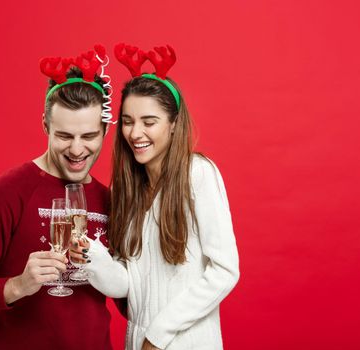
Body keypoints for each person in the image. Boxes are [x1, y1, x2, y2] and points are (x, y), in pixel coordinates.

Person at [0, 45, 116, 349]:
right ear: (45, 126)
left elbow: (129, 296)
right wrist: (18, 285)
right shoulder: (6, 192)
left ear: (104, 131)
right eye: (64, 136)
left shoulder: (111, 201)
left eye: (88, 136)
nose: (77, 150)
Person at [71, 44, 240, 350]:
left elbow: (225, 271)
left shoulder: (197, 174)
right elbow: (127, 286)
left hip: (184, 342)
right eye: (127, 121)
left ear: (173, 125)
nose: (136, 133)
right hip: (138, 342)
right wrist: (91, 256)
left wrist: (158, 334)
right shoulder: (131, 190)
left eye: (149, 122)